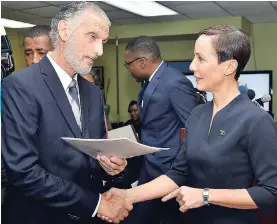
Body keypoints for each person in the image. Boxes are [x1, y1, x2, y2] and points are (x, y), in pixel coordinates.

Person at [101, 24, 277, 224]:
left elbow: (270, 192)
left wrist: (205, 195)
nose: (192, 66)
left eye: (201, 58)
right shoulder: (197, 114)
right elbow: (178, 173)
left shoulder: (257, 120)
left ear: (229, 66)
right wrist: (128, 195)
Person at [1, 2, 132, 224]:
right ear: (64, 31)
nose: (99, 51)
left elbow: (91, 161)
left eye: (104, 42)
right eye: (92, 36)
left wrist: (112, 168)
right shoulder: (20, 86)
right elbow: (23, 172)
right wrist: (96, 204)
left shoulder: (92, 93)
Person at [122, 36, 198, 224]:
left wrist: (181, 167)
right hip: (149, 165)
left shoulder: (175, 82)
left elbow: (193, 126)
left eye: (127, 64)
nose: (128, 69)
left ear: (142, 62)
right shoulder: (149, 81)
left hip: (168, 168)